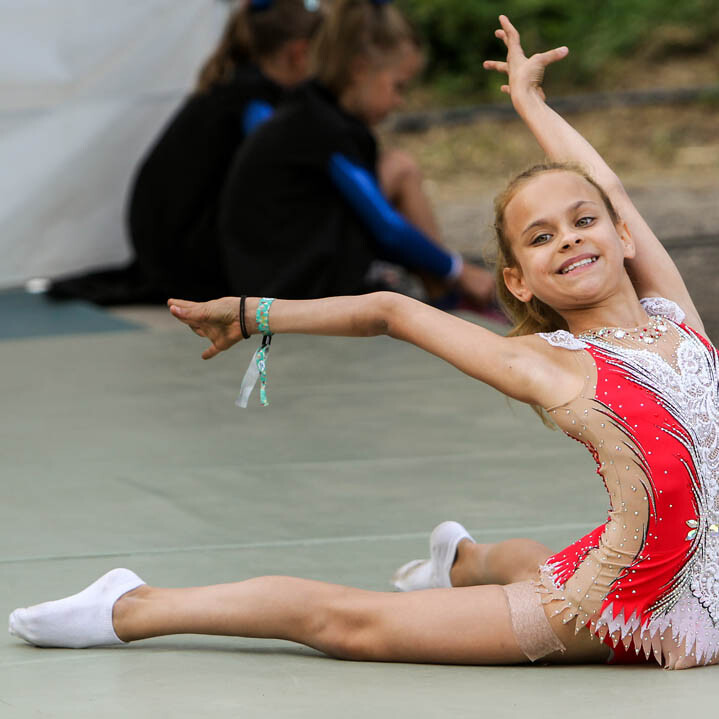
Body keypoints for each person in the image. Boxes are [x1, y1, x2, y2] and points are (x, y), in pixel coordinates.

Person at [10, 16, 718, 670]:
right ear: (518, 281)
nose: (567, 238)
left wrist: (531, 104)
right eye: (540, 237)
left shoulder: (674, 315)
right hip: (604, 608)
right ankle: (132, 604)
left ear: (622, 235)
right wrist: (256, 314)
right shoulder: (547, 363)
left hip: (692, 589)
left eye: (583, 221)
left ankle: (462, 561)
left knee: (543, 559)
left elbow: (610, 187)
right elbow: (389, 311)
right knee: (353, 625)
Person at [216, 0, 496, 307]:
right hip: (288, 287)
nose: (400, 102)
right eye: (398, 87)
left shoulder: (309, 108)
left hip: (273, 268)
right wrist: (459, 270)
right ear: (360, 69)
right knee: (400, 168)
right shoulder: (323, 127)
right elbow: (387, 227)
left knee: (396, 167)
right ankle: (448, 298)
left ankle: (444, 294)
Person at [48, 0, 323, 304]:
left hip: (165, 242)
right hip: (182, 251)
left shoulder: (236, 82)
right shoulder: (253, 99)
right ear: (298, 53)